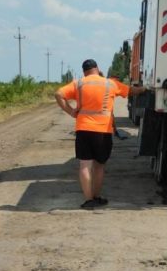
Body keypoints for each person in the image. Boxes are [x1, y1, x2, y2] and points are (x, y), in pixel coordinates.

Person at [55, 59, 145, 209]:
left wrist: (71, 111)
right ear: (97, 69)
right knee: (99, 166)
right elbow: (131, 91)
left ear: (84, 71)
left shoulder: (78, 83)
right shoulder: (110, 83)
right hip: (102, 131)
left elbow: (58, 94)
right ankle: (96, 197)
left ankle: (88, 200)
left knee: (85, 165)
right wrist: (143, 89)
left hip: (83, 129)